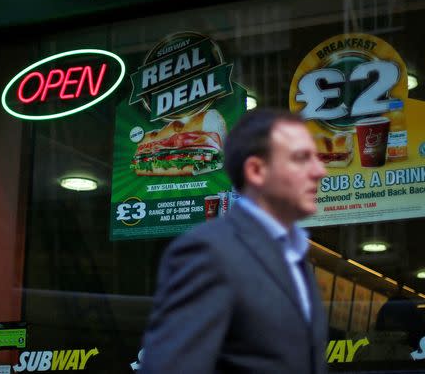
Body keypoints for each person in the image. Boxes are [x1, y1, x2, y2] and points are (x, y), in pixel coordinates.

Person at [139, 109, 329, 373]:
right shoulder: (208, 252)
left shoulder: (293, 255)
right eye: (301, 158)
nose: (320, 170)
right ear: (256, 171)